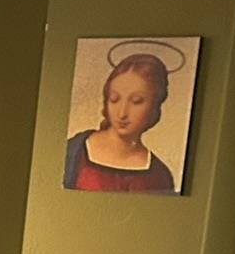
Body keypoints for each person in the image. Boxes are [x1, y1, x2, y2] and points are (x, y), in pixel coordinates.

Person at [63, 50, 177, 193]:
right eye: (114, 99)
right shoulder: (72, 152)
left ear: (154, 105)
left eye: (136, 101)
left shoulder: (159, 176)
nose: (122, 113)